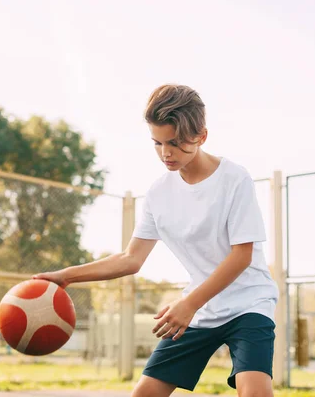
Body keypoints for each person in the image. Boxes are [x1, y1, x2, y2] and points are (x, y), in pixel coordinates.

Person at [34, 84, 278, 397]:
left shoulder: (234, 178)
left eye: (175, 143)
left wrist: (189, 303)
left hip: (249, 303)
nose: (166, 153)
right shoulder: (159, 194)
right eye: (158, 143)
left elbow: (241, 257)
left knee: (255, 392)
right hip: (200, 309)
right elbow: (130, 259)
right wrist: (65, 276)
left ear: (201, 136)